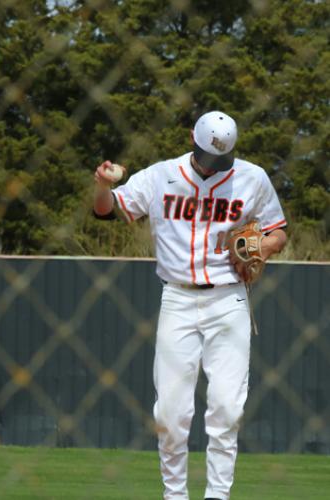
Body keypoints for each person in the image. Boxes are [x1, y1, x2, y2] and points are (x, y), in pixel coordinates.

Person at [92, 111, 287, 500]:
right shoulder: (160, 175)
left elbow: (277, 231)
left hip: (228, 298)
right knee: (170, 415)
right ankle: (175, 495)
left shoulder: (252, 177)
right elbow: (106, 209)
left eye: (223, 159)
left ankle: (218, 495)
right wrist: (101, 185)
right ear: (191, 139)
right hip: (178, 298)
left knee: (227, 411)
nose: (215, 165)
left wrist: (262, 248)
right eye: (209, 156)